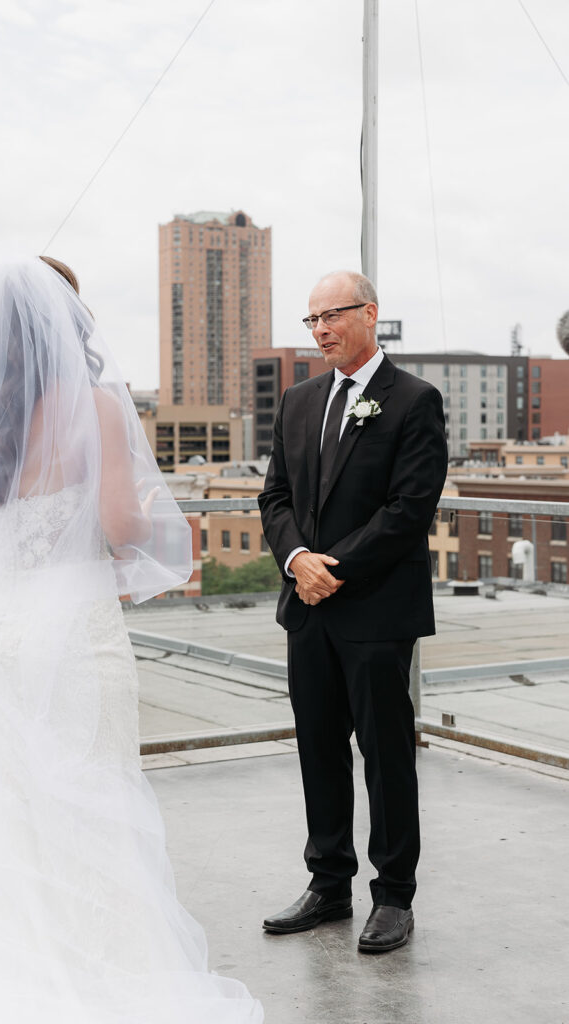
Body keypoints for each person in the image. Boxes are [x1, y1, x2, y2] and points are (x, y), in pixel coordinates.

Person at [0, 257, 263, 1023]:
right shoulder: (97, 407)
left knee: (24, 811)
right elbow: (122, 527)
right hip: (74, 631)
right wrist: (149, 509)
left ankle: (28, 969)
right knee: (95, 802)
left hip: (1, 635)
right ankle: (104, 982)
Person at [258, 270, 447, 953]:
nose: (320, 331)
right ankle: (328, 883)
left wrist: (327, 570)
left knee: (385, 755)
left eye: (331, 316)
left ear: (369, 313)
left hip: (375, 611)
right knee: (318, 748)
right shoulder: (298, 400)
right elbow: (274, 497)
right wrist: (295, 560)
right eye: (311, 320)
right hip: (307, 610)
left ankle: (394, 895)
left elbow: (407, 511)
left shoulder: (414, 400)